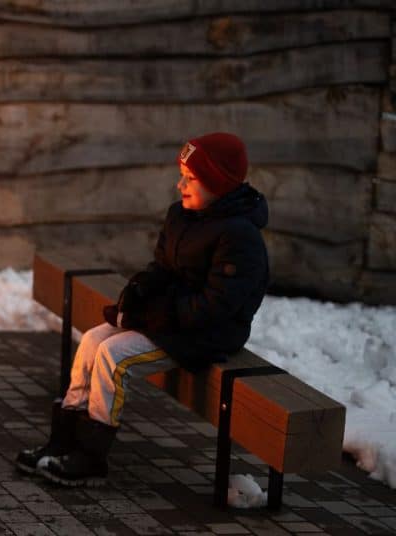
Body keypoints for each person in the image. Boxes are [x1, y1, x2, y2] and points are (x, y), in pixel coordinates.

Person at [16, 132, 270, 486]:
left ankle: (91, 457)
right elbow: (163, 268)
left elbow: (219, 305)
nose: (180, 184)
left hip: (206, 334)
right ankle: (62, 442)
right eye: (181, 174)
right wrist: (139, 291)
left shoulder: (240, 237)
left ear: (217, 184)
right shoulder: (182, 215)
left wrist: (161, 315)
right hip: (169, 320)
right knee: (92, 340)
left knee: (113, 357)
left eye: (191, 178)